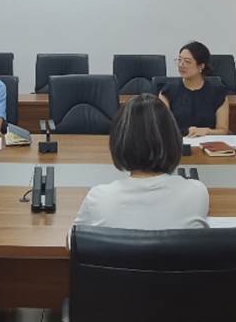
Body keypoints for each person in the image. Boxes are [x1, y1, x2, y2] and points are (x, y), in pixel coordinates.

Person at [75, 94, 209, 229]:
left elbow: (74, 239)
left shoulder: (98, 199)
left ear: (118, 140)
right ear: (173, 139)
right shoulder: (197, 193)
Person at [158, 41, 230, 137]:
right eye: (179, 60)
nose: (181, 65)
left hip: (208, 143)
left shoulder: (218, 92)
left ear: (201, 66)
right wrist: (186, 132)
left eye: (187, 61)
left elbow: (223, 130)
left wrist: (207, 131)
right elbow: (163, 128)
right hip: (177, 142)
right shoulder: (167, 91)